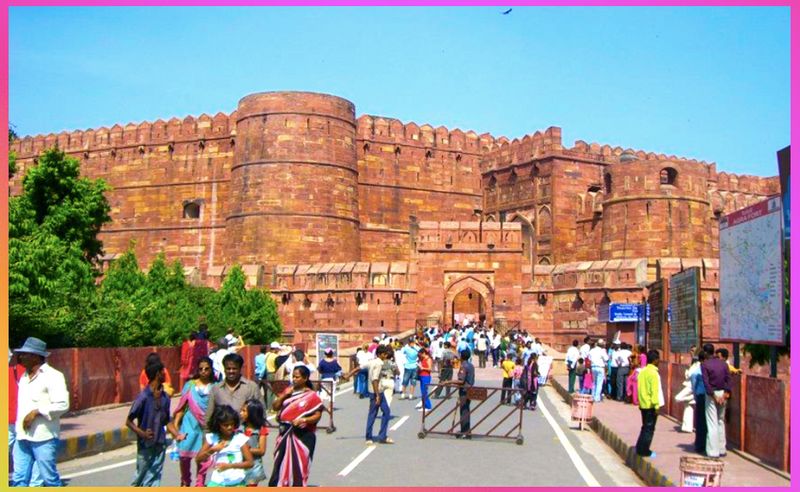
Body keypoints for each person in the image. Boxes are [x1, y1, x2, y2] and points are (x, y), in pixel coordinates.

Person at [11, 337, 69, 487]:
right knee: (19, 478)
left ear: (36, 356)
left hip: (44, 437)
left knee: (49, 479)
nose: (21, 356)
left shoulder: (53, 376)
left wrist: (37, 412)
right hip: (22, 436)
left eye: (25, 354)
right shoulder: (24, 377)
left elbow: (63, 404)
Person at [268, 366, 324, 486]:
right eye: (293, 376)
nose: (294, 379)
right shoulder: (288, 391)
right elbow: (275, 406)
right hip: (284, 434)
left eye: (297, 377)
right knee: (280, 464)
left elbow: (317, 415)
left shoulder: (311, 396)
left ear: (305, 378)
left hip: (303, 436)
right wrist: (284, 395)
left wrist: (304, 419)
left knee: (299, 467)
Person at [127, 361, 180, 486]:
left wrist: (177, 435)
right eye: (163, 372)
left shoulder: (165, 397)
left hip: (160, 443)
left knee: (154, 476)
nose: (164, 375)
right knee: (140, 477)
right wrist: (143, 434)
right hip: (145, 445)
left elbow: (166, 420)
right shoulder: (143, 397)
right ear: (157, 374)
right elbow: (129, 421)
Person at [172, 356, 214, 486]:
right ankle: (185, 481)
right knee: (184, 455)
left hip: (206, 426)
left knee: (203, 456)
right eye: (201, 369)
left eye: (206, 369)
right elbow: (181, 407)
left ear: (211, 370)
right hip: (189, 424)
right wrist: (176, 426)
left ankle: (200, 483)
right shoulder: (190, 386)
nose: (203, 371)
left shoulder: (215, 387)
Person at [196, 405, 254, 487]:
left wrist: (230, 466)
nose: (230, 427)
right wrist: (212, 450)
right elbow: (198, 459)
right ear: (218, 425)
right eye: (225, 425)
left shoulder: (240, 439)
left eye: (232, 424)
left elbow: (250, 463)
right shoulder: (212, 438)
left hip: (237, 482)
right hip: (217, 482)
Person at [206, 353, 261, 431]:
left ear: (240, 369)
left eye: (234, 368)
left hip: (246, 436)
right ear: (224, 369)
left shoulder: (251, 387)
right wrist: (207, 436)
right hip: (223, 437)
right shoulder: (216, 389)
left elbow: (261, 415)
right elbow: (209, 416)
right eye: (228, 368)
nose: (231, 371)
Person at [701, 343, 731, 458]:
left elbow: (706, 382)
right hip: (722, 393)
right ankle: (722, 448)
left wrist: (714, 396)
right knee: (720, 421)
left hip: (712, 394)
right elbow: (728, 379)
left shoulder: (705, 365)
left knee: (712, 422)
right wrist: (725, 394)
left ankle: (713, 452)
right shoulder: (723, 364)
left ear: (705, 352)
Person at [635, 350, 663, 458]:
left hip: (643, 403)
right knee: (649, 429)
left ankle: (639, 447)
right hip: (651, 405)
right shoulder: (654, 373)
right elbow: (654, 391)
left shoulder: (642, 372)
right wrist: (656, 406)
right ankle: (645, 451)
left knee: (645, 427)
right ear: (655, 360)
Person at [445, 350, 475, 439]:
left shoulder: (464, 366)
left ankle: (465, 431)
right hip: (469, 389)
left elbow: (461, 380)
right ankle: (465, 430)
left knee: (464, 411)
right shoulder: (471, 365)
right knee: (466, 410)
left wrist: (449, 381)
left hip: (464, 390)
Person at [240, 399, 269, 487]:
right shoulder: (239, 428)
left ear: (252, 413)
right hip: (239, 465)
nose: (241, 413)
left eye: (244, 411)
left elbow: (262, 451)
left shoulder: (261, 430)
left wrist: (247, 449)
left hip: (253, 467)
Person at [688, 350, 709, 455]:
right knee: (703, 422)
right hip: (705, 396)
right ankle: (702, 444)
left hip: (704, 396)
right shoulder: (697, 371)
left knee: (703, 422)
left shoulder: (698, 371)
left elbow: (694, 385)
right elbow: (694, 384)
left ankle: (702, 444)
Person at [263, 342, 281, 412]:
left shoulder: (267, 354)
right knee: (273, 391)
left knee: (268, 390)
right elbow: (276, 366)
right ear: (275, 349)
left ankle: (268, 407)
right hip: (273, 373)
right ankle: (272, 408)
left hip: (267, 373)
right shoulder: (275, 356)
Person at [416, 347, 433, 412]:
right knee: (422, 391)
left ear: (424, 353)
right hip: (421, 375)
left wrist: (423, 368)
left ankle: (428, 406)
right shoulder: (422, 359)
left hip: (426, 376)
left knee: (424, 392)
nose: (420, 356)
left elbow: (430, 368)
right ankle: (424, 405)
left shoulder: (428, 359)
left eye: (421, 354)